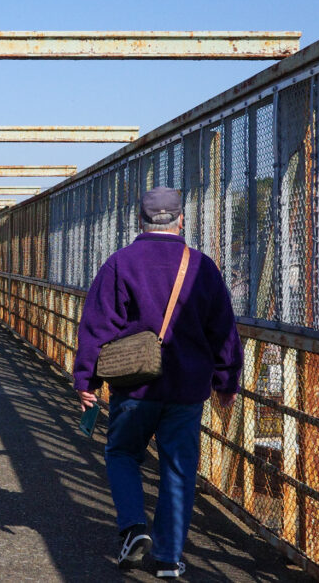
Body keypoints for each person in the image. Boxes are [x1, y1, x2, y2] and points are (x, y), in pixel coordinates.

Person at [72, 187, 243, 578]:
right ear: (181, 219)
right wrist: (226, 380)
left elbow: (97, 327)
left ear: (139, 220)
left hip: (134, 385)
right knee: (179, 468)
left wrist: (87, 380)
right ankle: (168, 559)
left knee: (121, 453)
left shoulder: (119, 264)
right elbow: (223, 332)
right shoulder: (203, 267)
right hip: (187, 389)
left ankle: (133, 527)